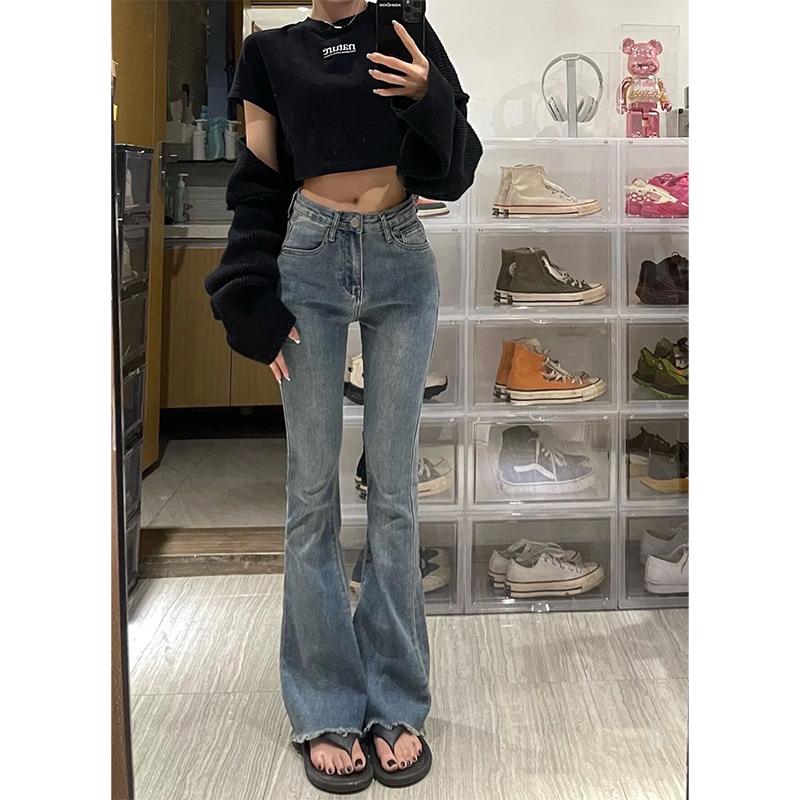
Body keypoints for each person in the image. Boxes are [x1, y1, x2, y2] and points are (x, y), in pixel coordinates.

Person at [204, 0, 481, 791]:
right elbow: (259, 182)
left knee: (395, 492)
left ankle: (396, 702)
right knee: (311, 495)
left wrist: (428, 96)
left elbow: (458, 168)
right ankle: (326, 702)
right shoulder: (270, 52)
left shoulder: (405, 30)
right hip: (310, 257)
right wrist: (247, 292)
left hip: (401, 257)